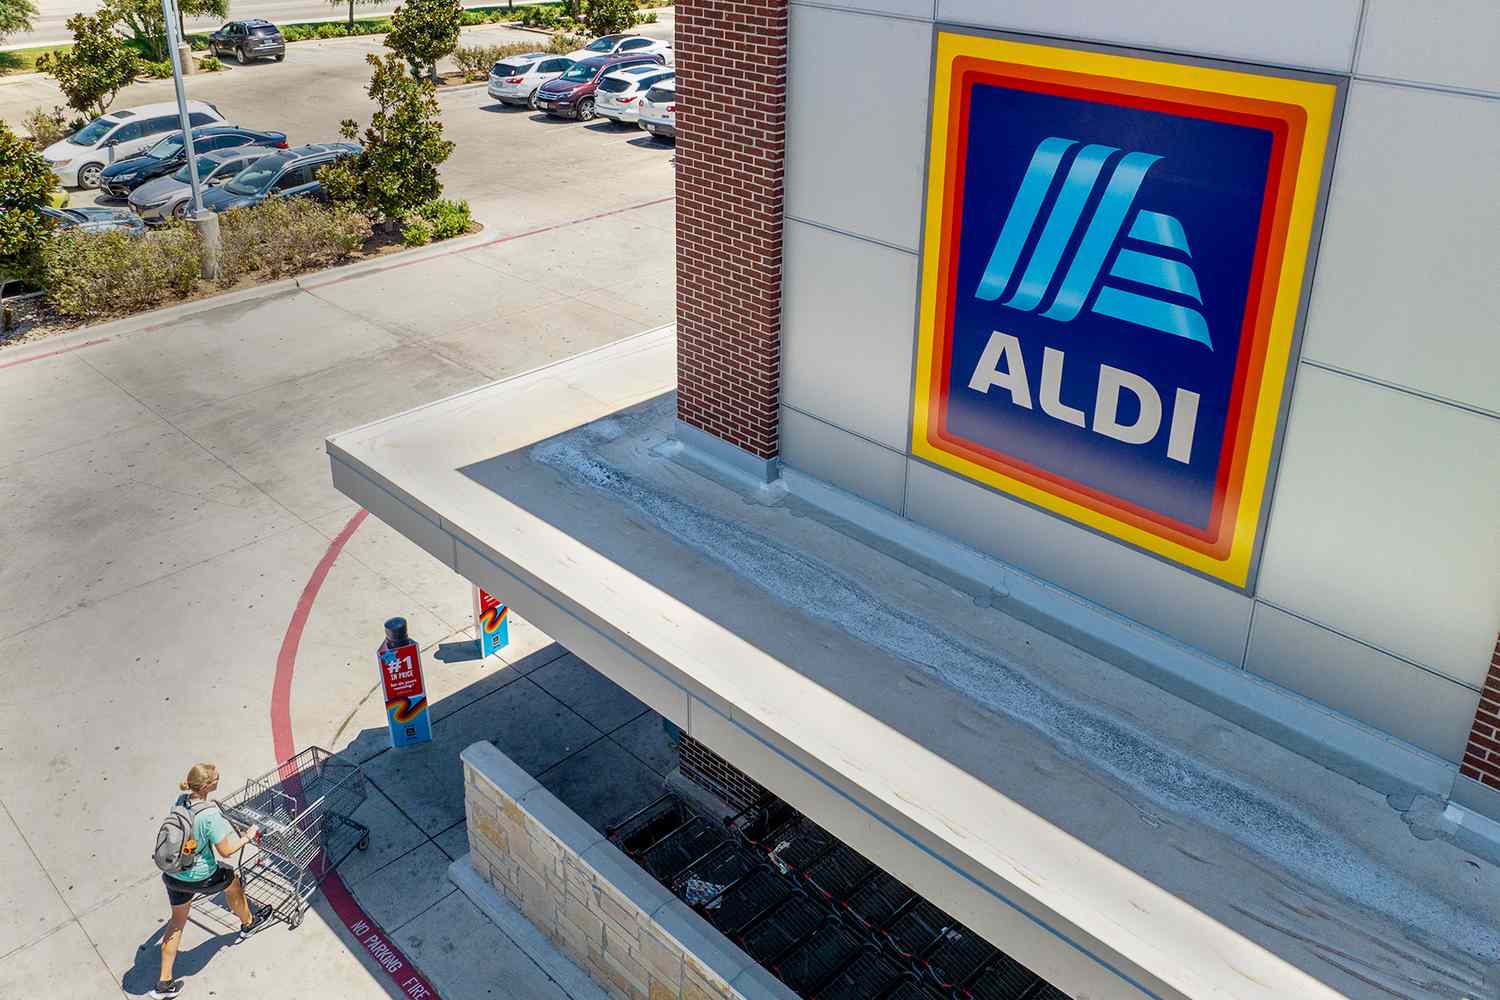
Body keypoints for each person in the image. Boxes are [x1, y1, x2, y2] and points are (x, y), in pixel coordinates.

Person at [152, 763, 270, 1000]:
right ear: (207, 786)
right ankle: (248, 923)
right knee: (233, 882)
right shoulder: (209, 815)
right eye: (216, 778)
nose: (219, 779)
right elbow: (226, 851)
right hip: (201, 876)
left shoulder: (180, 801)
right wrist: (247, 837)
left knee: (176, 922)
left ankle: (163, 983)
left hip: (174, 874)